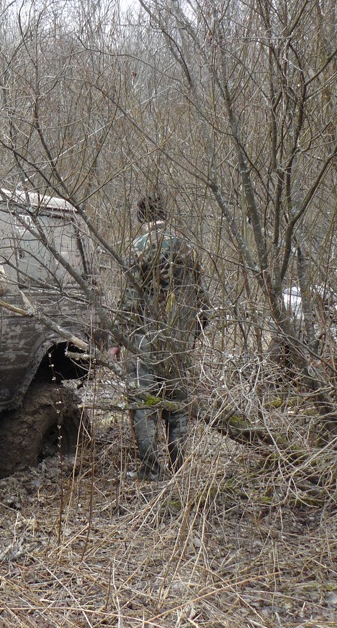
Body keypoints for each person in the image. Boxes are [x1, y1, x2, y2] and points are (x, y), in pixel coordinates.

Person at [111, 195, 208, 480]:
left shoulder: (138, 248)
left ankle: (152, 470)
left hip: (145, 338)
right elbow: (201, 297)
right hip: (178, 339)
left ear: (141, 218)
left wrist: (116, 340)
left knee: (143, 404)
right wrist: (194, 331)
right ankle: (181, 469)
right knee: (178, 403)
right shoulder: (188, 247)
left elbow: (129, 299)